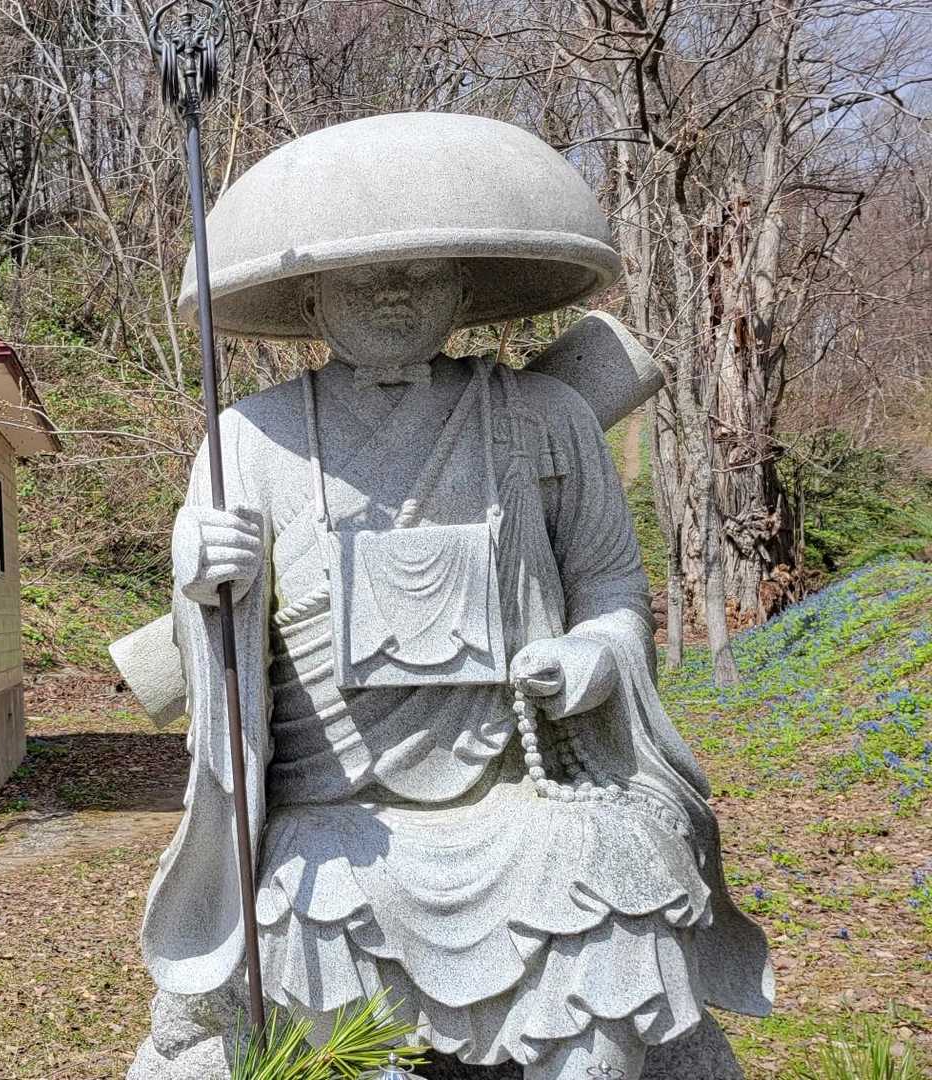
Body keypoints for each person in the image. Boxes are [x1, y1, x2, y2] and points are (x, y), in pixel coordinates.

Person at [133, 114, 772, 1080]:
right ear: (310, 299)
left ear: (465, 292)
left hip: (520, 792)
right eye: (361, 279)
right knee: (313, 910)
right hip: (337, 809)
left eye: (422, 274)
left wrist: (592, 656)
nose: (393, 293)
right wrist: (203, 581)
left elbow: (611, 585)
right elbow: (216, 640)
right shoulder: (249, 441)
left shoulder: (547, 418)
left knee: (614, 882)